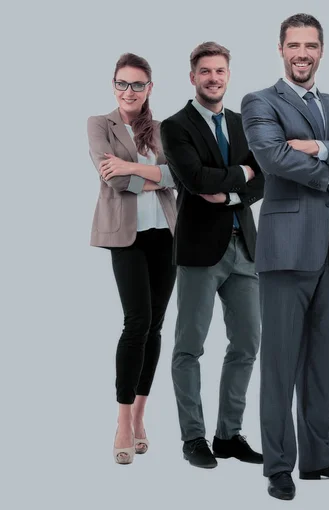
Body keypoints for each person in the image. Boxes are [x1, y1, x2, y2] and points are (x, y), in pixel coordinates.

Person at [241, 13, 329, 501]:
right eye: (294, 44)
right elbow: (273, 156)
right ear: (281, 49)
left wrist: (319, 145)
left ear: (322, 50)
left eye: (311, 45)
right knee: (279, 362)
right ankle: (279, 464)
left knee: (322, 360)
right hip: (284, 251)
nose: (303, 53)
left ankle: (320, 455)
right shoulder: (259, 101)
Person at [160, 42, 264, 470]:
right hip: (201, 252)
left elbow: (265, 181)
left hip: (246, 250)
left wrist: (228, 189)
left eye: (220, 71)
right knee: (189, 346)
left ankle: (228, 434)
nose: (214, 78)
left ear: (228, 74)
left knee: (246, 344)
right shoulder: (175, 126)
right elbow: (194, 178)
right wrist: (240, 174)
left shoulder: (243, 124)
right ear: (193, 77)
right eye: (206, 71)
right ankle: (193, 437)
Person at [87, 53, 177, 465]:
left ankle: (141, 415)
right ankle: (122, 420)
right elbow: (114, 178)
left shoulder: (161, 129)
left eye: (137, 85)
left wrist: (143, 171)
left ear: (149, 89)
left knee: (155, 325)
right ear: (113, 85)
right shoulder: (99, 124)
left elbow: (181, 177)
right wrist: (149, 174)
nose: (129, 91)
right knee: (136, 321)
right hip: (126, 237)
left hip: (167, 235)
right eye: (123, 83)